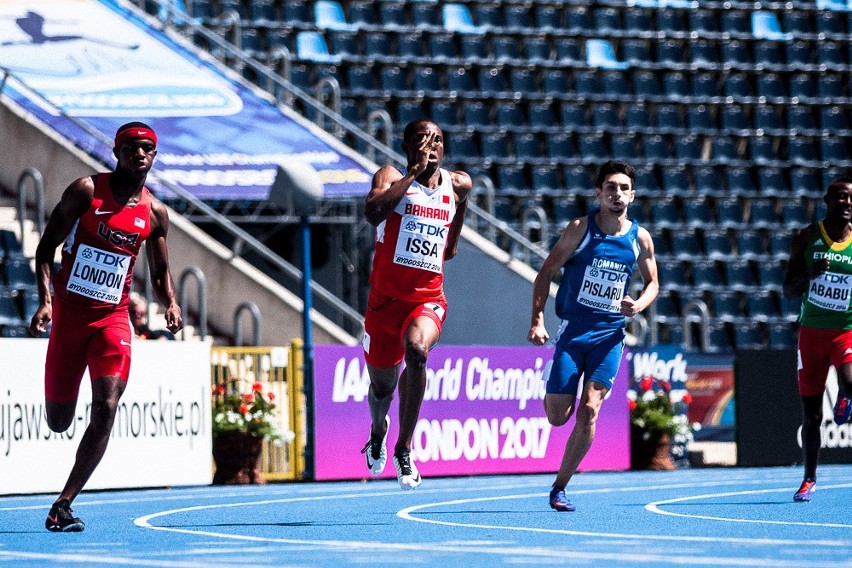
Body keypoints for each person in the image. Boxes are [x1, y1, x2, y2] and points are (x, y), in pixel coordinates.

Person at [28, 122, 183, 531]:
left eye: (148, 147)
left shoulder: (154, 212)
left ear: (154, 155)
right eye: (132, 147)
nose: (140, 153)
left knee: (108, 405)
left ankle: (63, 504)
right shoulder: (86, 191)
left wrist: (171, 301)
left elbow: (161, 269)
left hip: (112, 319)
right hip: (69, 314)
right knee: (58, 420)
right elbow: (45, 249)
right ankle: (67, 404)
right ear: (116, 152)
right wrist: (45, 301)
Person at [528, 160, 659, 512]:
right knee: (558, 415)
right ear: (598, 193)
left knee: (590, 409)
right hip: (573, 333)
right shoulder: (579, 229)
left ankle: (560, 487)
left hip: (610, 336)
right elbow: (545, 273)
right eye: (611, 188)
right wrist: (537, 319)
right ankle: (551, 382)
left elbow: (653, 283)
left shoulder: (640, 238)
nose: (617, 194)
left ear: (632, 195)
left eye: (624, 189)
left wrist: (639, 304)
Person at [360, 118, 472, 489]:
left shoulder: (457, 184)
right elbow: (373, 212)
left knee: (417, 351)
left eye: (438, 139)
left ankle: (404, 448)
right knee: (381, 391)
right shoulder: (391, 176)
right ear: (408, 146)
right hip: (384, 304)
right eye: (423, 139)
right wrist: (413, 174)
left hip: (426, 299)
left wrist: (445, 241)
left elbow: (451, 249)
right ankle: (379, 430)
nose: (432, 145)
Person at [782, 175, 852, 503]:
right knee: (811, 415)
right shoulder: (807, 237)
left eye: (851, 198)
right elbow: (788, 290)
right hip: (811, 335)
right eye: (840, 197)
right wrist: (811, 274)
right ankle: (809, 478)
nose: (847, 203)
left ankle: (846, 399)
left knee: (849, 383)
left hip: (844, 331)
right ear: (827, 201)